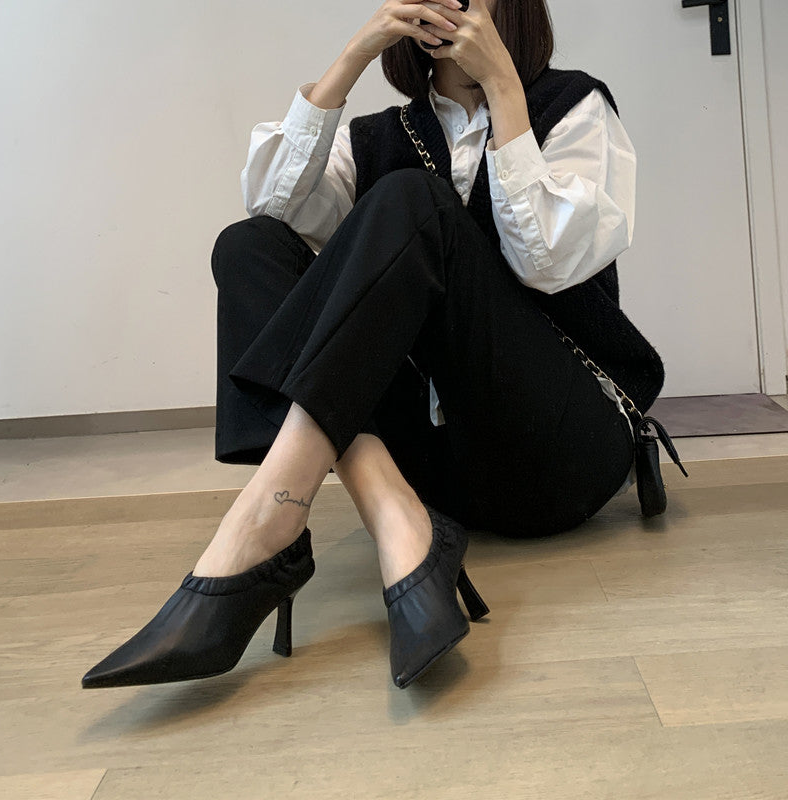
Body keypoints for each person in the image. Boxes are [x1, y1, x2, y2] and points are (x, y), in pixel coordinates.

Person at [82, 0, 663, 691]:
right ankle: (395, 515)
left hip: (560, 451)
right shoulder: (382, 136)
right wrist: (355, 54)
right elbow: (273, 206)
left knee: (413, 201)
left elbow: (551, 262)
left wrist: (504, 88)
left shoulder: (575, 107)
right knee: (251, 246)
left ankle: (262, 531)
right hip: (435, 472)